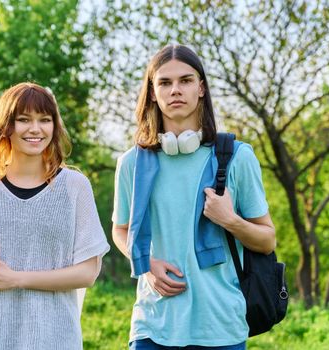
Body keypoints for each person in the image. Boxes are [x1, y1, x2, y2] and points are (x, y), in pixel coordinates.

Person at [112, 44, 276, 349]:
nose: (175, 90)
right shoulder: (132, 164)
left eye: (185, 81)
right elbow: (120, 230)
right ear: (151, 92)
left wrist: (230, 220)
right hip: (152, 327)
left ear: (201, 88)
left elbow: (267, 240)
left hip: (220, 329)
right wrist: (145, 264)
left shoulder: (238, 158)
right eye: (164, 82)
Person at [0, 82, 110, 349]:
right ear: (6, 126)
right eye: (24, 120)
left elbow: (88, 272)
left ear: (55, 127)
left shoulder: (75, 186)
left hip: (55, 338)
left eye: (45, 120)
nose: (35, 129)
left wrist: (16, 279)